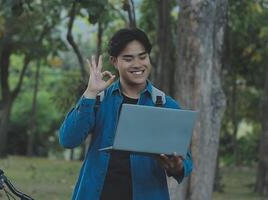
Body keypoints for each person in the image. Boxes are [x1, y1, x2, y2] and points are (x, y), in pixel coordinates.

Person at [59, 28, 193, 200]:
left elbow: (185, 160)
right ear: (114, 61)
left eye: (143, 57)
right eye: (128, 59)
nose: (137, 64)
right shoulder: (99, 100)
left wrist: (177, 167)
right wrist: (89, 93)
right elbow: (68, 140)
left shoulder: (165, 104)